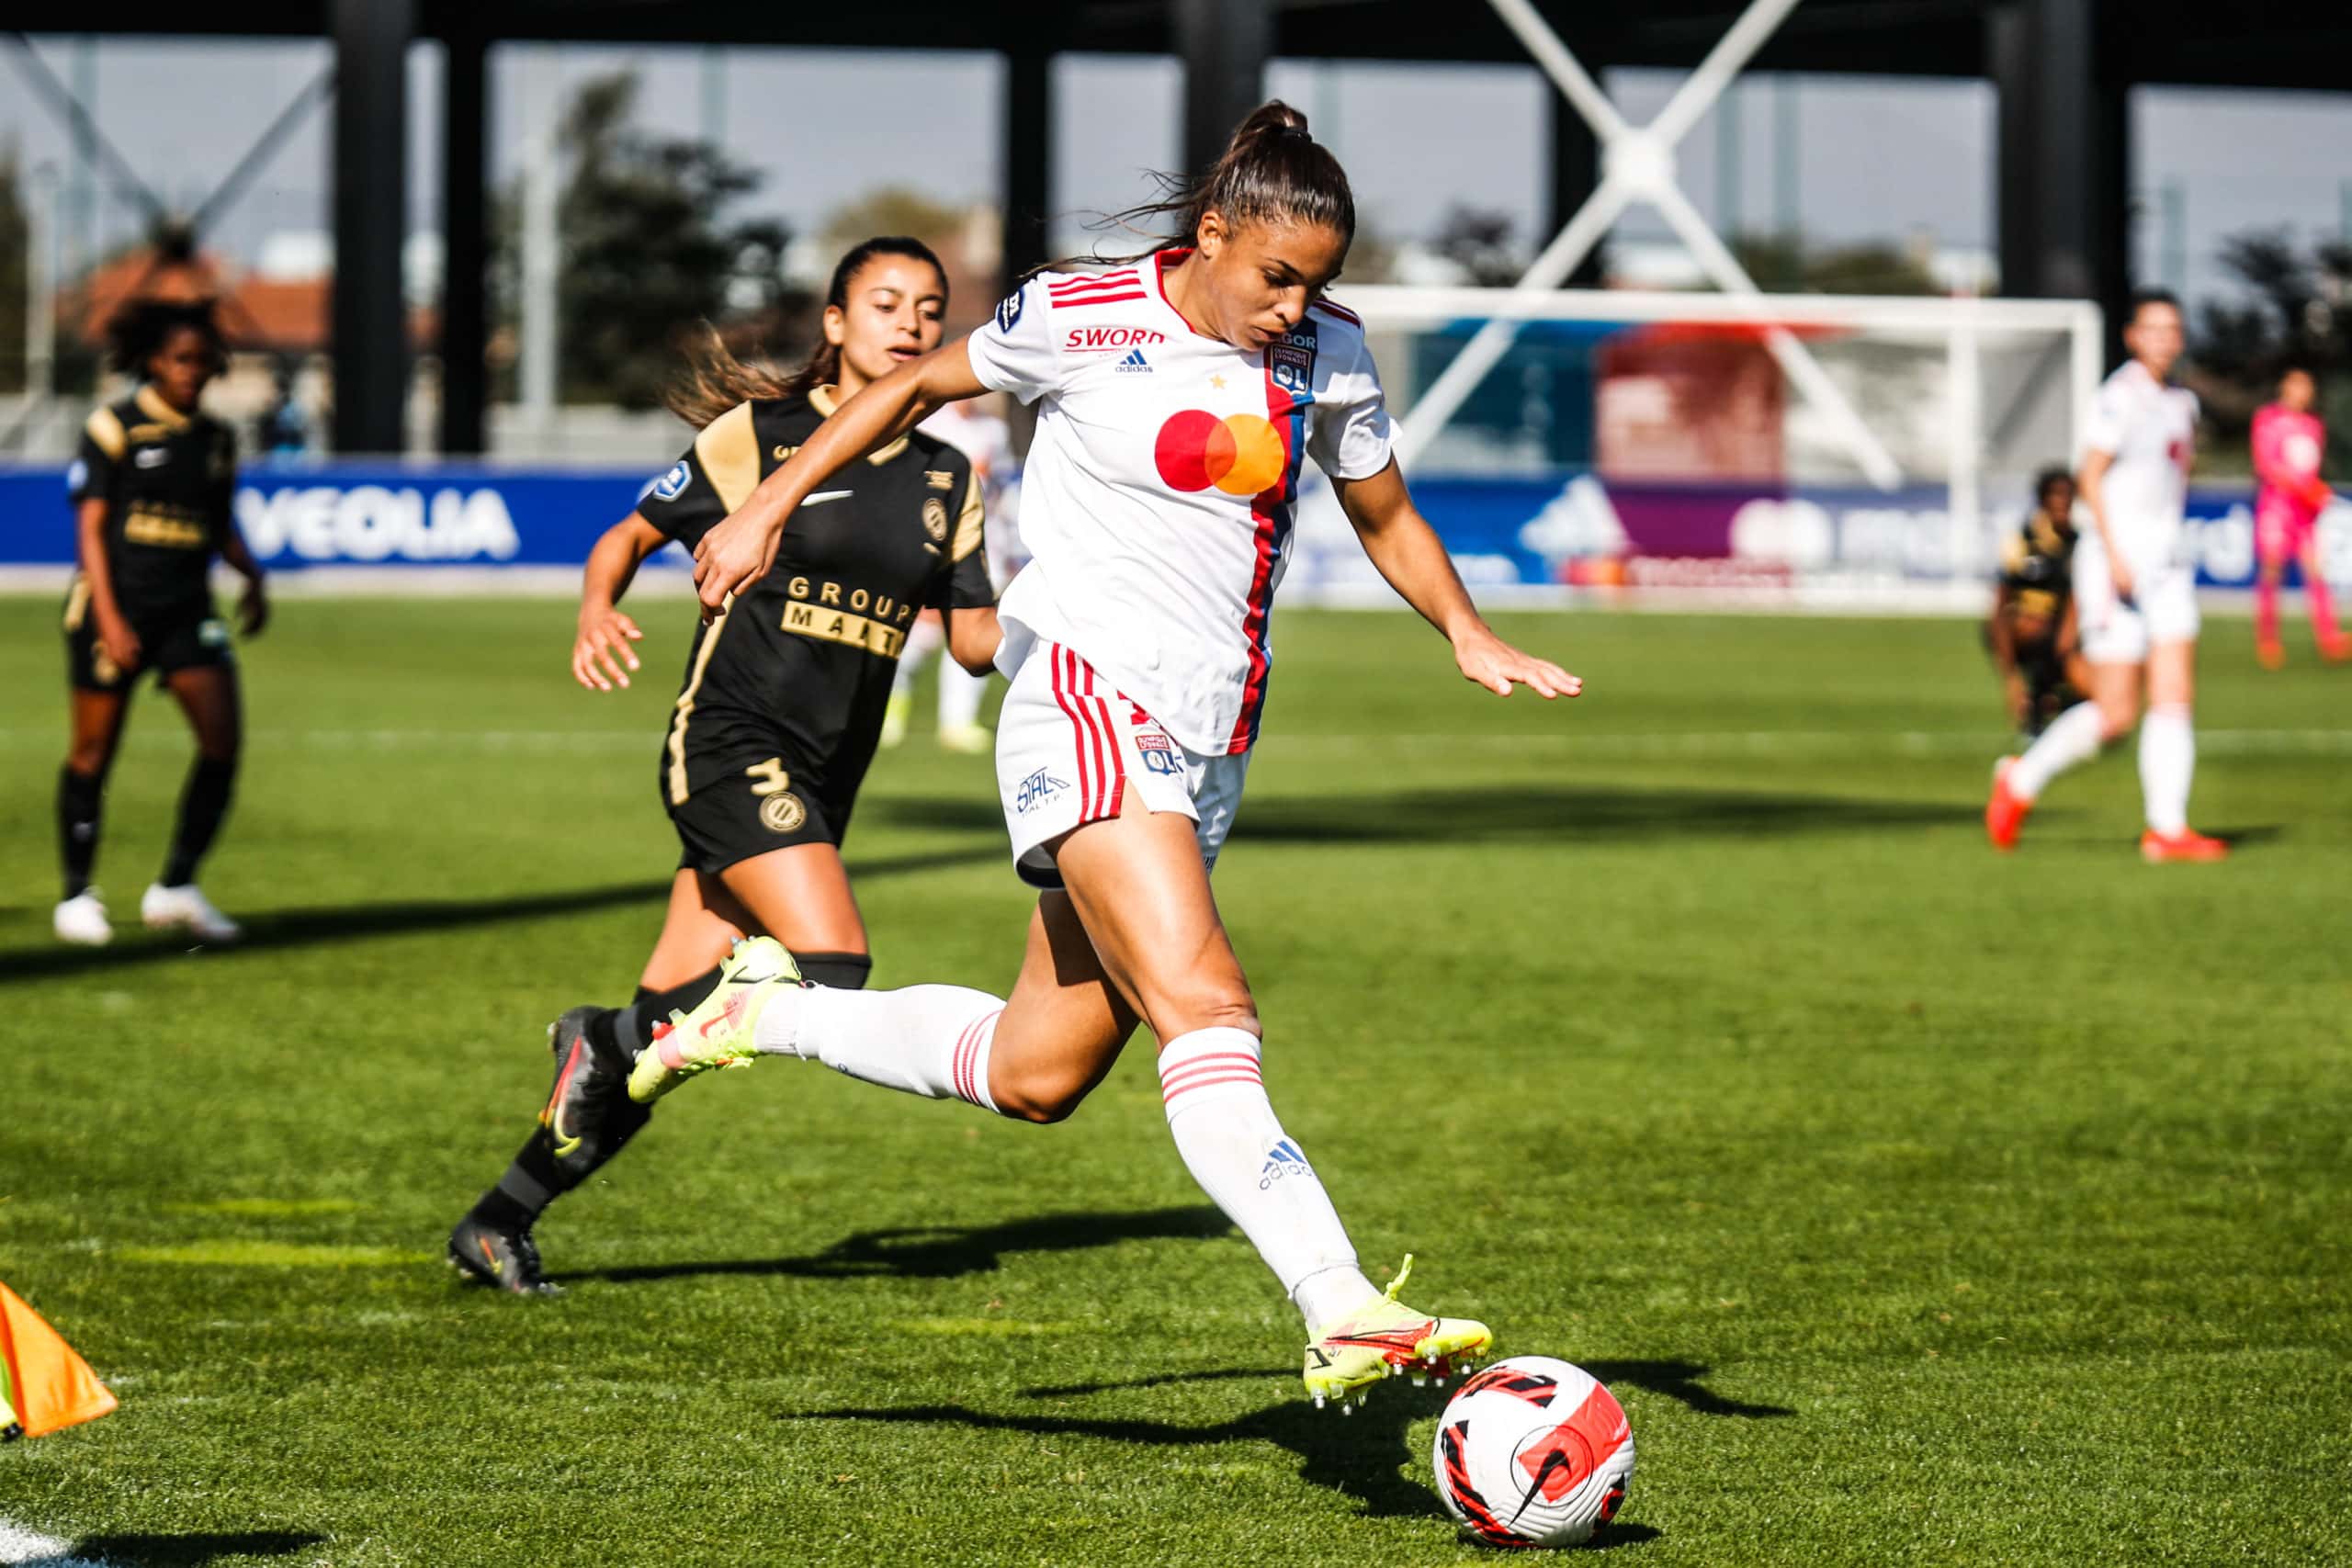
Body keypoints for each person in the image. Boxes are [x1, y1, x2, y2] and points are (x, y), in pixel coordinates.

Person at [626, 103, 1582, 1410]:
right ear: (1212, 236)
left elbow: (1384, 509)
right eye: (1276, 276)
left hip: (1210, 736)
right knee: (1207, 995)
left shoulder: (1330, 355)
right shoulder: (1083, 314)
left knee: (1038, 1070)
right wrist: (767, 508)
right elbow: (910, 387)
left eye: (1319, 281)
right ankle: (1339, 1300)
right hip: (1084, 689)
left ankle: (755, 1010)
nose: (1296, 304)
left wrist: (1466, 627)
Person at [447, 238, 1000, 1293]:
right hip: (731, 744)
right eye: (885, 303)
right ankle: (601, 1038)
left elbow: (974, 643)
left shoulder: (946, 474)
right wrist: (597, 605)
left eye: (930, 311)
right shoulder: (767, 437)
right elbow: (629, 532)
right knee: (832, 963)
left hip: (823, 782)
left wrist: (1065, 587)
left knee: (667, 1032)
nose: (912, 325)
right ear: (834, 324)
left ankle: (500, 1216)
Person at [1984, 290, 2226, 863]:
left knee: (2175, 695)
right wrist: (2115, 553)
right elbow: (2090, 476)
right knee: (2117, 712)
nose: (2165, 338)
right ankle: (2020, 779)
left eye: (2174, 328)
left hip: (2168, 565)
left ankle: (2166, 829)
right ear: (2132, 336)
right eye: (2154, 328)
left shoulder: (2182, 405)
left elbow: (2175, 481)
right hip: (2118, 564)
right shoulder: (2119, 398)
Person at [53, 299, 266, 946]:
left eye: (204, 361)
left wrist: (252, 574)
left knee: (222, 741)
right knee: (94, 751)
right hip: (115, 606)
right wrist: (111, 619)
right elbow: (90, 530)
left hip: (187, 611)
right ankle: (76, 894)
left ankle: (176, 884)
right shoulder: (116, 427)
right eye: (180, 359)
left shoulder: (216, 439)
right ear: (153, 360)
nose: (192, 372)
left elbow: (218, 523)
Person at [882, 394, 1024, 751]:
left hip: (985, 542)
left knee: (977, 630)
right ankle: (891, 706)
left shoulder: (993, 430)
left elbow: (1000, 489)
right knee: (922, 632)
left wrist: (1007, 542)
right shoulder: (931, 424)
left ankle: (958, 722)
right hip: (934, 542)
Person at [2250, 366, 2345, 668]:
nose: (2304, 392)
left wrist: (2314, 493)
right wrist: (2307, 489)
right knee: (2272, 571)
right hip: (2277, 509)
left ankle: (2329, 637)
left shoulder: (2314, 425)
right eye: (2297, 385)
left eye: (2308, 386)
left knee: (2316, 571)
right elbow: (2268, 465)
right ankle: (2268, 639)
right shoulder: (2269, 420)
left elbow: (2311, 469)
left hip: (2305, 515)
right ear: (2285, 388)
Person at [1985, 468, 2088, 739]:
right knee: (2033, 626)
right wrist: (2011, 679)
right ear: (2043, 499)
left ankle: (2049, 703)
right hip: (2026, 635)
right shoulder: (2021, 542)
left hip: (2069, 635)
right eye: (2056, 494)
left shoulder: (2081, 545)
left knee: (2098, 697)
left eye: (2068, 495)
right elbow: (1999, 606)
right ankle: (2038, 706)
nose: (2062, 501)